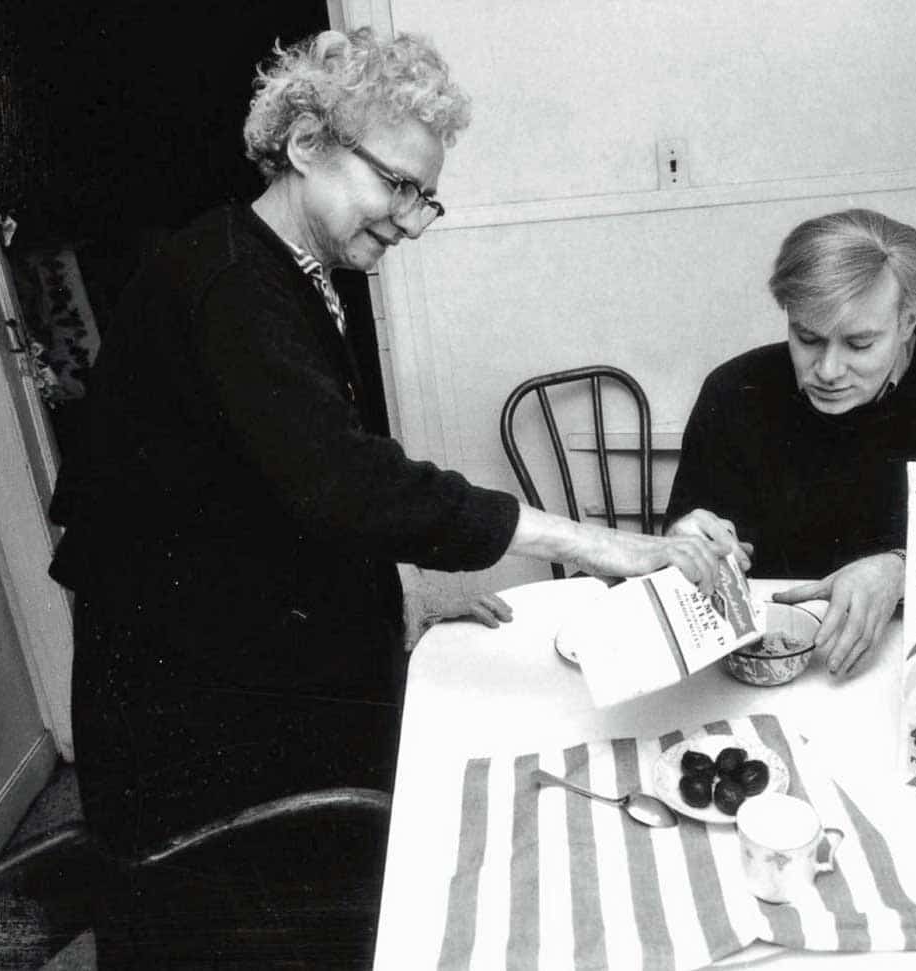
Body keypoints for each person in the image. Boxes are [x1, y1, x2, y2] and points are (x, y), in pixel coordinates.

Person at [46, 27, 736, 964]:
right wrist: (594, 543)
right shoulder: (228, 285)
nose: (412, 220)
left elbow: (274, 488)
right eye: (397, 185)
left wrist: (402, 590)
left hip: (239, 655)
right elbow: (346, 482)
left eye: (427, 197)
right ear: (304, 146)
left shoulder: (285, 271)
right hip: (193, 712)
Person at [665, 209, 916, 676]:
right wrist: (683, 541)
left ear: (908, 321)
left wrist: (902, 568)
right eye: (807, 338)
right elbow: (680, 543)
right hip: (774, 657)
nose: (827, 371)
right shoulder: (733, 390)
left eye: (859, 344)